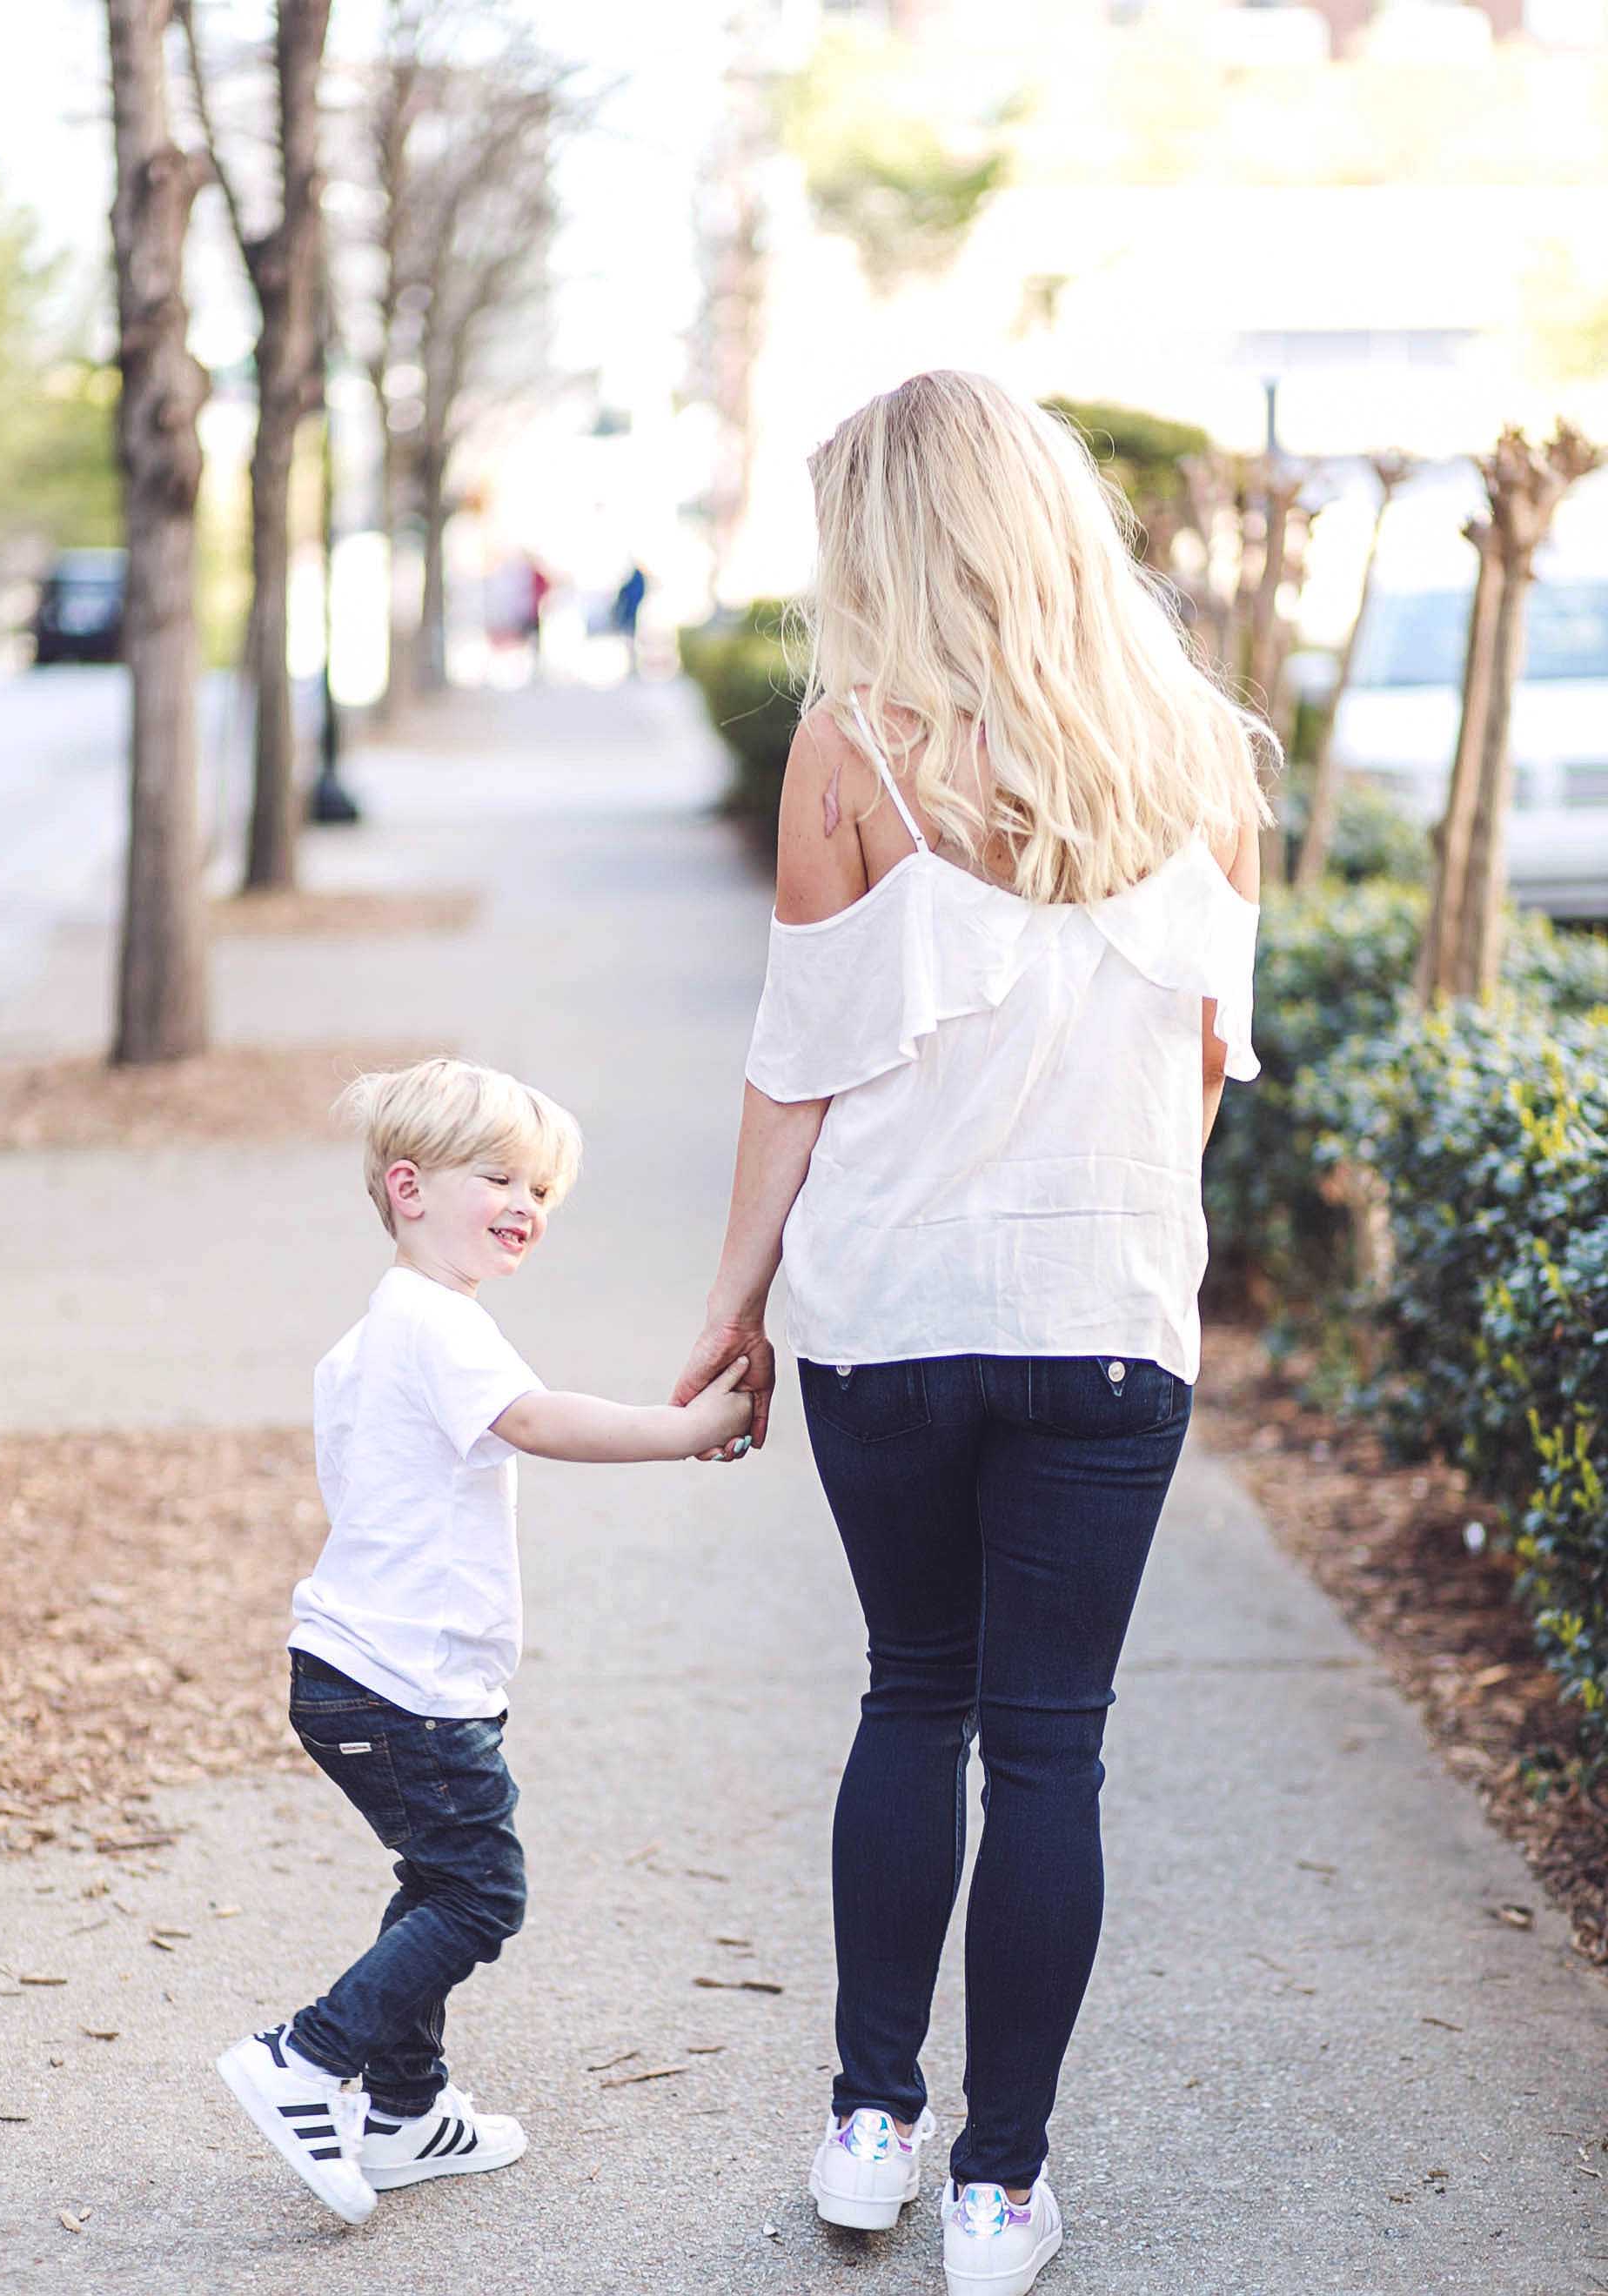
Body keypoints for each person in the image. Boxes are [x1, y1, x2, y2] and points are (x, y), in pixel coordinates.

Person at [671, 371, 1273, 2296]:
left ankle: (869, 2130)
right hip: (1103, 1317)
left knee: (908, 1693)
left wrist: (731, 1308)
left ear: (893, 541)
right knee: (1053, 1750)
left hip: (891, 1316)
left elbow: (798, 1070)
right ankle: (999, 2190)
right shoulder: (1201, 758)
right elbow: (1196, 1076)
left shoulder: (854, 751)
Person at [216, 1057, 753, 2227]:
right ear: (408, 1188)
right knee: (479, 1893)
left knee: (436, 1882)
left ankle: (406, 2112)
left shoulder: (380, 1335)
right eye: (499, 1176)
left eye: (544, 1189)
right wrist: (684, 1430)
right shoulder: (437, 1327)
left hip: (367, 1678)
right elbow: (537, 1420)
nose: (528, 1203)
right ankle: (306, 2060)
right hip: (404, 1687)